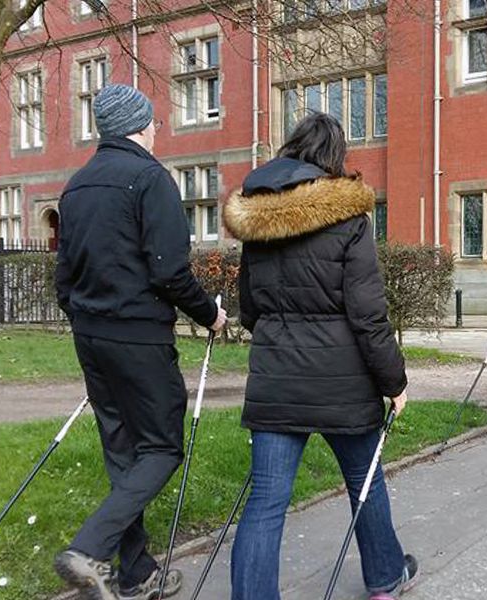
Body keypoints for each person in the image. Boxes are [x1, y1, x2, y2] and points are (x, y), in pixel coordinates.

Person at [223, 113, 416, 600]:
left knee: (266, 501)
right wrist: (394, 383)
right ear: (334, 158)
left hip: (276, 378)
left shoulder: (258, 218)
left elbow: (250, 309)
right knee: (364, 482)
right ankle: (385, 577)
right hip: (344, 383)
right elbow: (369, 315)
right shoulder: (350, 218)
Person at [53, 84, 227, 599]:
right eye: (152, 122)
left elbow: (64, 277)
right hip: (138, 337)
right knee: (161, 448)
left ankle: (135, 572)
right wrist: (211, 315)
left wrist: (87, 317)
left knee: (123, 453)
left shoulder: (77, 185)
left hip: (91, 335)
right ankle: (88, 550)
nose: (158, 129)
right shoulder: (151, 179)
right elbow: (170, 271)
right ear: (137, 125)